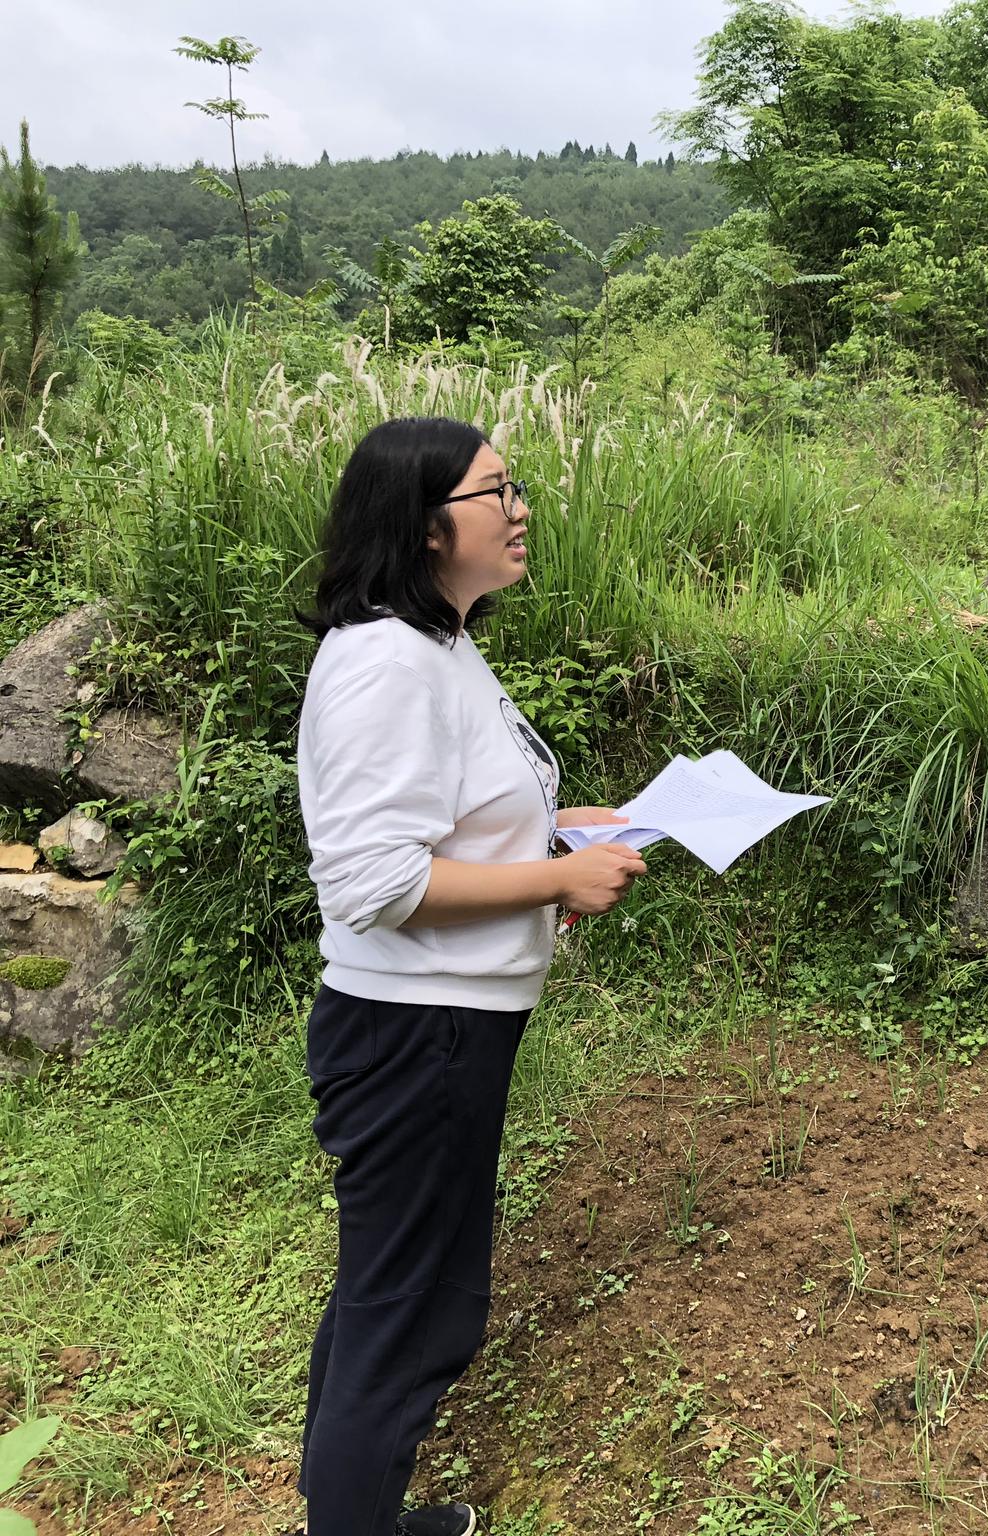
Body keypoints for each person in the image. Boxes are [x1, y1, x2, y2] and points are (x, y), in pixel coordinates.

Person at [295, 416, 646, 1534]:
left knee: (388, 1291)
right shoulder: (382, 665)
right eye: (497, 489)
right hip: (414, 1038)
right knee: (414, 1311)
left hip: (440, 1026)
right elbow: (374, 879)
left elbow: (454, 817)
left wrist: (559, 827)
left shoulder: (438, 641)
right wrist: (555, 883)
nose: (521, 506)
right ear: (426, 523)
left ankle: (352, 1514)